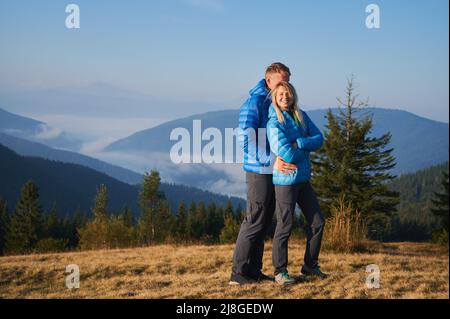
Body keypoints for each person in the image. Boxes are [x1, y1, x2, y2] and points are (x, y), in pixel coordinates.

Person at [229, 63, 297, 285]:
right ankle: (238, 273)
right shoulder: (254, 103)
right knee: (255, 219)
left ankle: (254, 271)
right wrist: (271, 160)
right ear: (268, 81)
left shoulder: (273, 100)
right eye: (280, 82)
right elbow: (245, 139)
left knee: (265, 220)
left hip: (272, 168)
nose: (285, 86)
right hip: (258, 169)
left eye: (287, 81)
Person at [266, 81, 327, 286]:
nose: (285, 97)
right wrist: (303, 150)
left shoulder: (301, 116)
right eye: (281, 94)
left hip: (303, 179)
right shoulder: (274, 123)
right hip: (285, 182)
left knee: (317, 222)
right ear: (275, 97)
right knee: (285, 225)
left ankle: (310, 266)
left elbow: (319, 138)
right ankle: (280, 271)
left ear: (293, 96)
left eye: (289, 93)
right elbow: (287, 154)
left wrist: (300, 142)